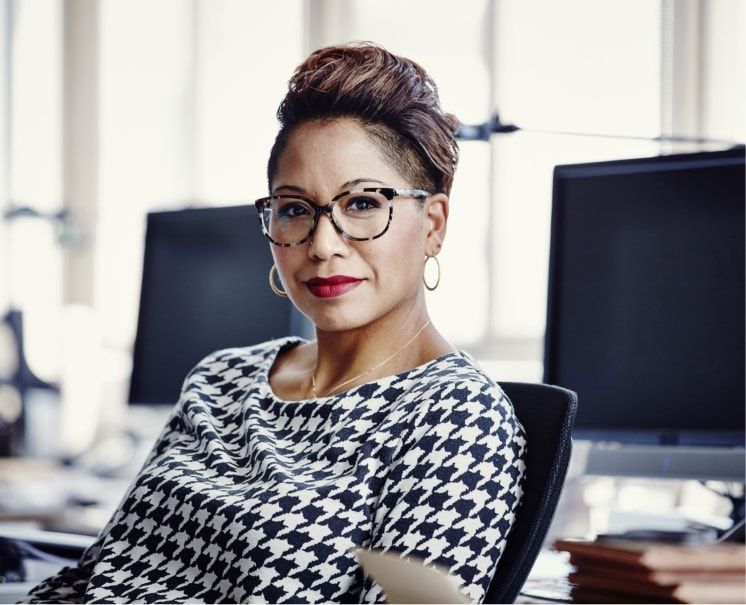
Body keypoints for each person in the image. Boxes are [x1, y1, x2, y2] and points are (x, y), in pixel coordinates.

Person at [22, 42, 526, 604]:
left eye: (362, 204)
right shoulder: (219, 381)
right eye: (295, 209)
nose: (323, 245)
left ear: (433, 224)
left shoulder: (457, 419)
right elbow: (92, 577)